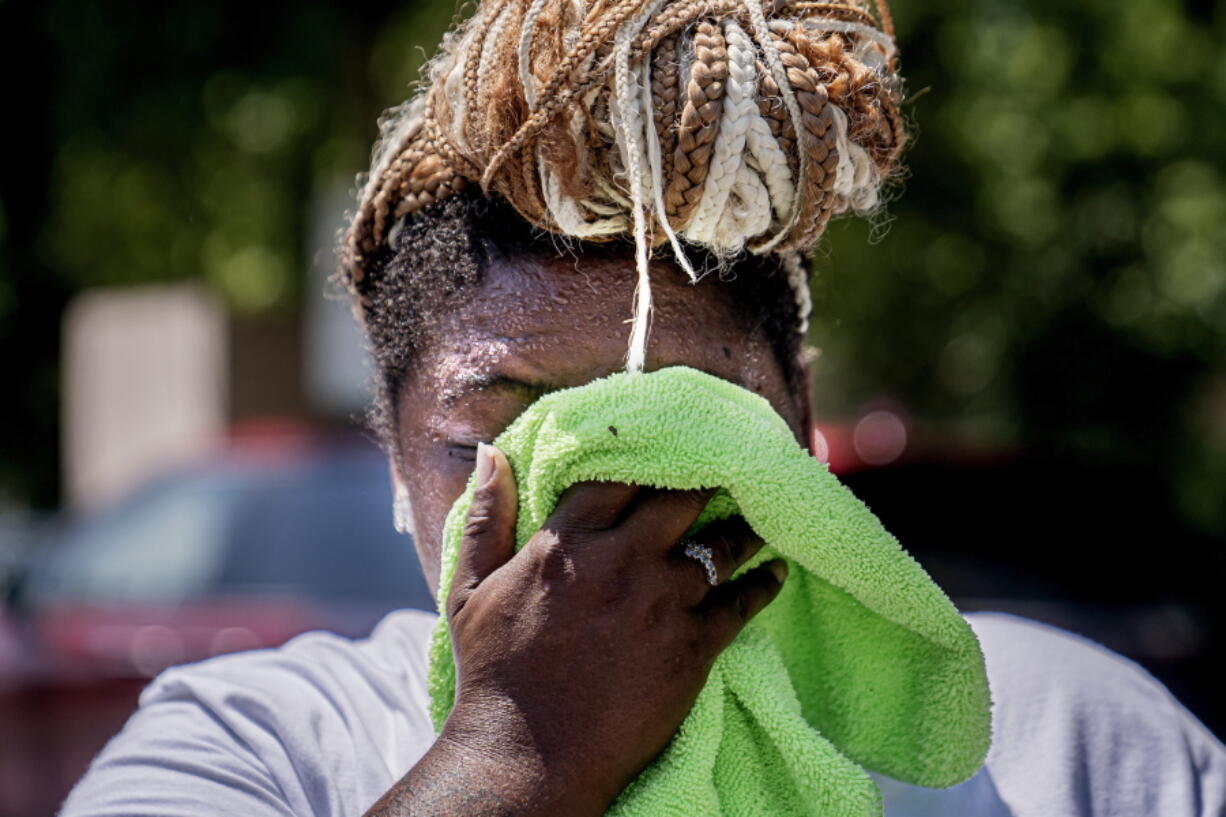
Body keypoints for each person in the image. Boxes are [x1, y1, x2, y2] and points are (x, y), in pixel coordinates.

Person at [61, 0, 1224, 815]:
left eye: (686, 427)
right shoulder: (256, 744)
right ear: (393, 451)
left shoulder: (1067, 742)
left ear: (796, 417)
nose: (595, 509)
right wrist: (517, 750)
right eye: (493, 439)